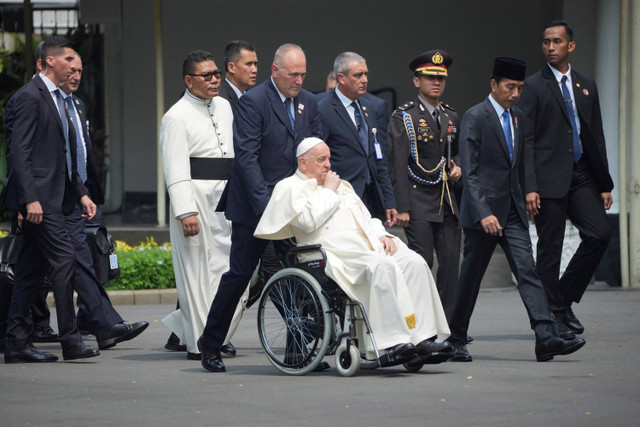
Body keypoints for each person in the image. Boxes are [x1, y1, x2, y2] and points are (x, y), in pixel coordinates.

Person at [254, 138, 451, 361]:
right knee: (381, 266)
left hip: (367, 243)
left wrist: (383, 234)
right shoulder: (289, 187)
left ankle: (422, 337)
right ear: (303, 163)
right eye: (321, 160)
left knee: (414, 263)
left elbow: (365, 216)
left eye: (328, 158)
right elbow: (308, 223)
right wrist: (328, 191)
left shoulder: (341, 185)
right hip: (333, 251)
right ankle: (390, 342)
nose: (328, 164)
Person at [448, 57, 586, 363]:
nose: (515, 93)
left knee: (528, 270)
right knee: (471, 277)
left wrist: (528, 194)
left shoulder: (519, 117)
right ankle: (456, 338)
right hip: (483, 212)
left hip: (511, 210)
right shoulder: (475, 116)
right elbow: (469, 172)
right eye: (510, 87)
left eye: (520, 88)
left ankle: (545, 336)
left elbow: (521, 163)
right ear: (493, 84)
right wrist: (484, 212)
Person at [198, 43, 321, 373]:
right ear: (275, 71)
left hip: (291, 206)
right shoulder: (254, 102)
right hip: (255, 206)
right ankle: (210, 343)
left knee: (297, 274)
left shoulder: (308, 102)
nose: (298, 80)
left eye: (303, 74)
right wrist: (268, 207)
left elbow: (315, 150)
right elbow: (248, 159)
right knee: (239, 276)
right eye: (293, 74)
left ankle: (298, 352)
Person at [3, 37, 99, 363]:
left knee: (31, 271)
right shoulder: (29, 98)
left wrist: (81, 191)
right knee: (64, 260)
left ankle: (15, 342)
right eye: (67, 59)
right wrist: (29, 200)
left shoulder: (57, 98)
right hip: (40, 203)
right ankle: (71, 341)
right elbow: (19, 154)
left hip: (56, 199)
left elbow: (61, 156)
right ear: (48, 61)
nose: (74, 66)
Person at [519, 20, 613, 337]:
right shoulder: (532, 86)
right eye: (546, 42)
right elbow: (526, 139)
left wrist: (604, 183)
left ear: (570, 46)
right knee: (550, 249)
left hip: (582, 174)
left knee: (599, 234)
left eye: (557, 42)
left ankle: (562, 299)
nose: (550, 47)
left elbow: (595, 134)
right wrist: (530, 186)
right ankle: (554, 317)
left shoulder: (586, 84)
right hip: (547, 180)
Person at [58, 54, 149, 349]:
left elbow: (82, 154)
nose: (77, 75)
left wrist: (87, 193)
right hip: (57, 199)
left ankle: (90, 318)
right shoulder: (49, 104)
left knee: (93, 256)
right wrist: (26, 203)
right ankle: (104, 323)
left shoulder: (78, 104)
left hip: (82, 194)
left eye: (81, 70)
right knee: (73, 261)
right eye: (71, 69)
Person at [160, 50, 241, 360]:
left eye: (216, 74)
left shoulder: (224, 106)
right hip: (194, 200)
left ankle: (214, 332)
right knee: (195, 273)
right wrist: (185, 211)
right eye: (206, 75)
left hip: (225, 196)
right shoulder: (175, 116)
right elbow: (174, 167)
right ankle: (198, 342)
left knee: (226, 269)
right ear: (188, 80)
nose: (214, 79)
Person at [388, 49, 461, 321]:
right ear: (416, 81)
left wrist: (458, 166)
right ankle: (417, 325)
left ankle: (447, 327)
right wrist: (402, 207)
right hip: (417, 201)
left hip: (446, 200)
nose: (437, 83)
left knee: (452, 265)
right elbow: (397, 163)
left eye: (441, 78)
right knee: (421, 264)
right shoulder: (404, 116)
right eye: (430, 77)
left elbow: (456, 151)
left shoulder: (450, 116)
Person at [317, 52, 397, 224]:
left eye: (366, 74)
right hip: (342, 197)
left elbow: (379, 156)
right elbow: (318, 159)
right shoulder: (324, 110)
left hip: (371, 197)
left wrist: (388, 200)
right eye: (358, 75)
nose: (364, 79)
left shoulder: (369, 106)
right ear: (342, 78)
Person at [218, 40, 258, 112]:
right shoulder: (219, 99)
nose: (254, 70)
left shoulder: (254, 99)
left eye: (255, 64)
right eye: (249, 64)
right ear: (231, 67)